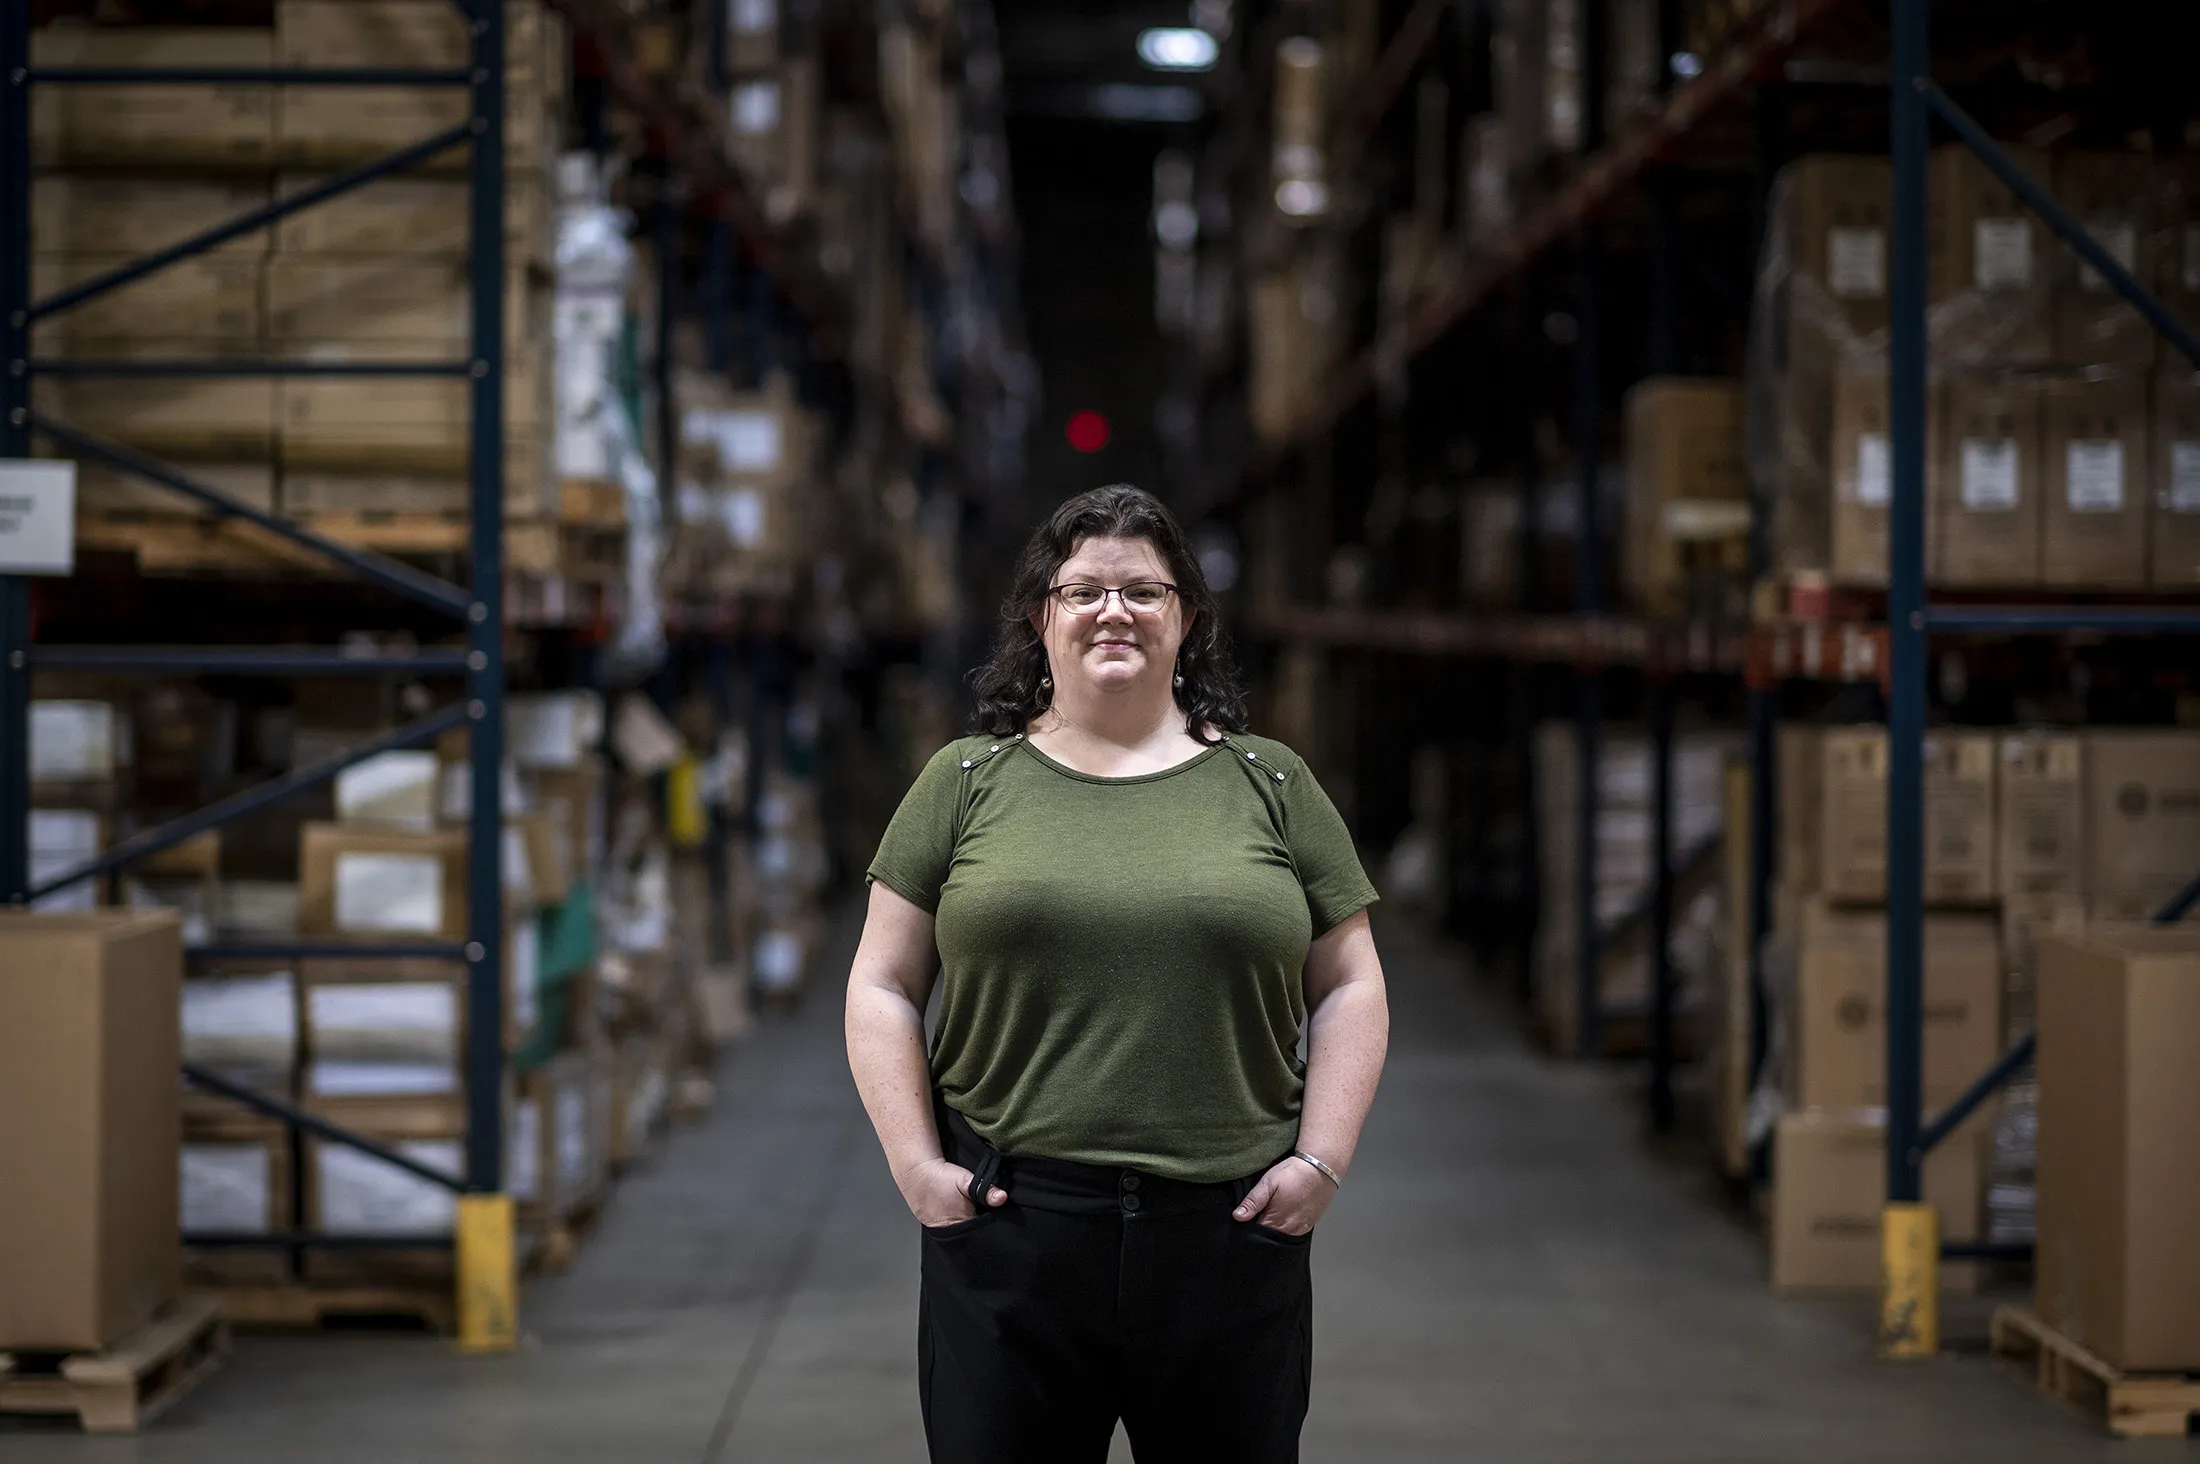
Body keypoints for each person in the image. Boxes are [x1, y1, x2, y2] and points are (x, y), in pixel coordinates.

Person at [846, 483, 1390, 1464]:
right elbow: (881, 983)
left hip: (1227, 1230)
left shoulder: (1271, 783)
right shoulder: (963, 783)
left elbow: (1351, 981)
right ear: (1039, 617)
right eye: (1084, 591)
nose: (1114, 612)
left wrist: (1321, 1160)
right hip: (1011, 1227)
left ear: (1186, 617)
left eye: (1143, 591)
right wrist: (917, 1167)